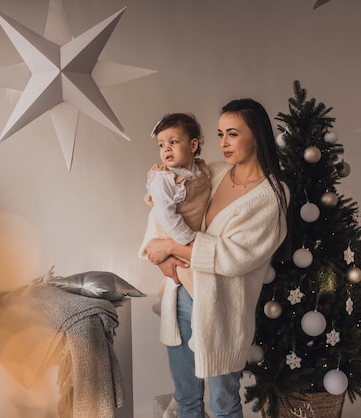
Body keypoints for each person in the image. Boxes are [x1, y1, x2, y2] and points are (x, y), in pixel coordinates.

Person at [144, 98, 289, 418]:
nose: (223, 142)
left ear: (257, 136)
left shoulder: (272, 194)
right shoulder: (216, 173)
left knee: (223, 404)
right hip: (180, 296)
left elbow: (235, 257)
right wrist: (161, 256)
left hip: (223, 313)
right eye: (220, 133)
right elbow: (168, 210)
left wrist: (170, 248)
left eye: (233, 134)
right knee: (186, 400)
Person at [139, 113, 211, 314]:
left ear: (193, 145)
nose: (166, 149)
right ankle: (184, 312)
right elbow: (166, 216)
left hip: (189, 232)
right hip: (172, 233)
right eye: (161, 145)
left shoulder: (201, 172)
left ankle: (166, 300)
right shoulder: (164, 179)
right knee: (194, 282)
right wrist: (188, 240)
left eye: (173, 142)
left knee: (190, 274)